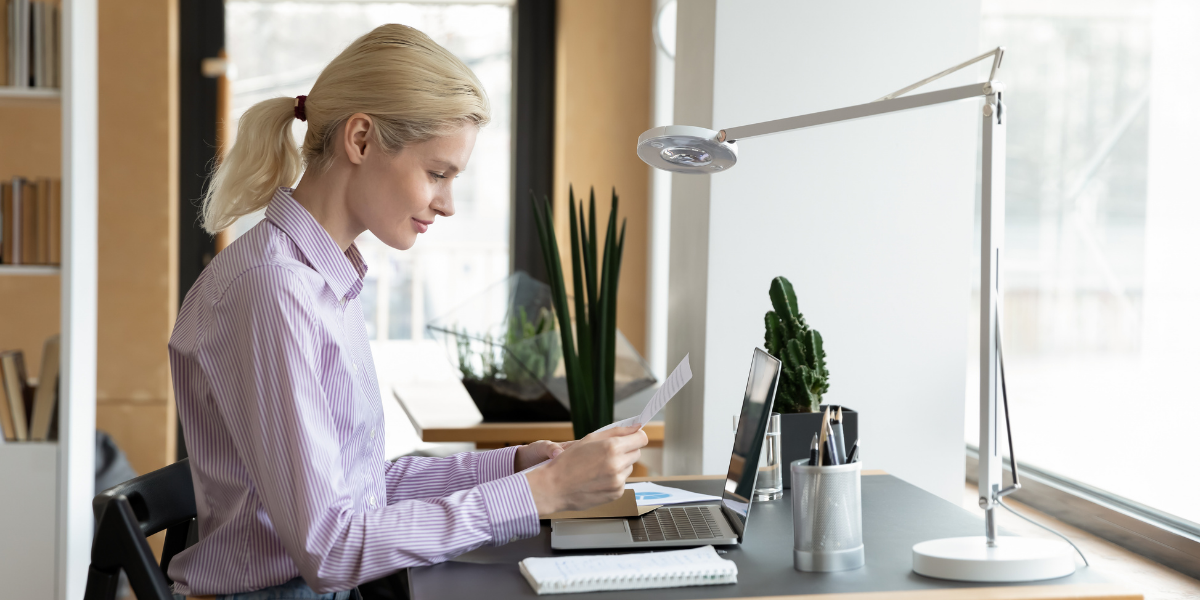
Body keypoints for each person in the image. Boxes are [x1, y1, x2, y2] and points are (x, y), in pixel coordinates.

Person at [167, 24, 648, 599]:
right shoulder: (275, 290)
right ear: (361, 139)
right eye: (437, 174)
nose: (447, 204)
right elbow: (332, 548)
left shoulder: (319, 280)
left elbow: (364, 490)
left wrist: (517, 467)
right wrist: (538, 495)